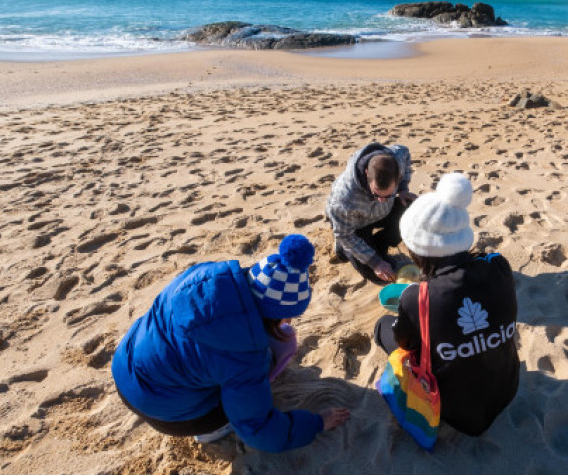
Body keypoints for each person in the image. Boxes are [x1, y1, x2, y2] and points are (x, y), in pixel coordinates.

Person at [111, 234, 350, 453]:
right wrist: (317, 422)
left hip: (125, 364)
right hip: (163, 412)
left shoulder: (206, 274)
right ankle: (211, 431)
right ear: (276, 314)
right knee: (237, 403)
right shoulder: (245, 356)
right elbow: (260, 431)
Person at [373, 173, 520, 436]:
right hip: (507, 389)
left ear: (419, 250)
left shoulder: (416, 297)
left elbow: (406, 343)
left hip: (453, 409)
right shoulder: (499, 266)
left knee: (383, 328)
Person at [326, 142, 416, 284]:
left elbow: (404, 151)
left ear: (398, 175)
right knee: (383, 276)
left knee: (412, 208)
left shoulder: (397, 158)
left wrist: (403, 189)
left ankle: (379, 245)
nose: (381, 200)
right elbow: (345, 234)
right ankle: (343, 250)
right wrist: (375, 262)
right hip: (354, 224)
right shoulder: (344, 199)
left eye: (388, 195)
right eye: (376, 194)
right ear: (367, 173)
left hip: (380, 214)